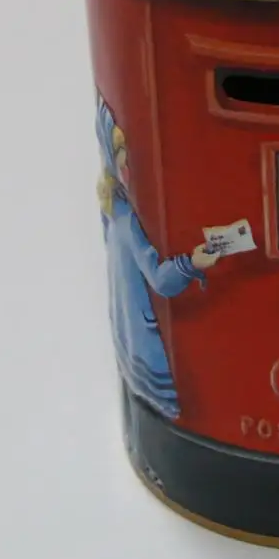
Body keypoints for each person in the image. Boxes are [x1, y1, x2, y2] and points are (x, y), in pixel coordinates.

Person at [96, 94, 220, 425]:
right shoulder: (128, 218)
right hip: (144, 332)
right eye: (122, 159)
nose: (127, 168)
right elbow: (160, 281)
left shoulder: (111, 205)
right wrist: (191, 263)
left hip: (129, 328)